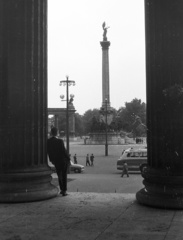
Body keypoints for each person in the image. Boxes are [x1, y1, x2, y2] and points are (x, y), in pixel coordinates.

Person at [47, 127, 70, 196]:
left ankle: (62, 189)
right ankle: (64, 190)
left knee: (59, 175)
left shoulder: (48, 141)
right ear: (57, 132)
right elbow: (63, 151)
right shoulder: (60, 141)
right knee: (64, 175)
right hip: (62, 160)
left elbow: (49, 152)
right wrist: (68, 158)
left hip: (56, 161)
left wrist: (52, 160)